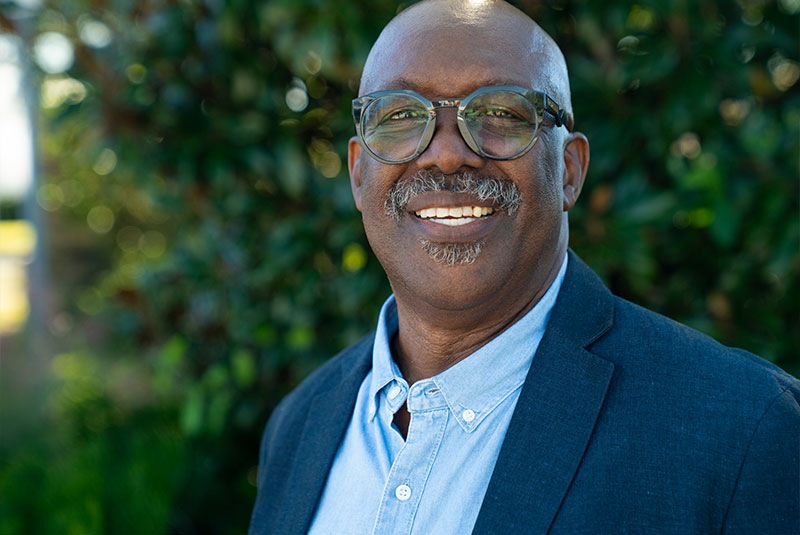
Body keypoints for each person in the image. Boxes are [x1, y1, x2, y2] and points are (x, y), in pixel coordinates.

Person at [249, 1, 800, 533]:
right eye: (400, 116)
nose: (445, 154)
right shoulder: (300, 425)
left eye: (498, 114)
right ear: (357, 176)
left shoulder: (742, 430)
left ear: (568, 170)